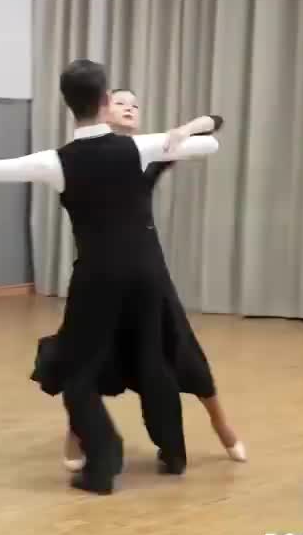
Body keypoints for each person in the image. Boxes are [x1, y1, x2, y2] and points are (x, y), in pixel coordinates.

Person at [0, 59, 220, 495]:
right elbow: (210, 144)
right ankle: (173, 452)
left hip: (98, 276)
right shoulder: (139, 148)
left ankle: (103, 461)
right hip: (146, 273)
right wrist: (184, 131)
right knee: (153, 358)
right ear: (105, 102)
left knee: (75, 370)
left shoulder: (56, 161)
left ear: (69, 104)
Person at [39, 89, 245, 473]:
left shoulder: (149, 151)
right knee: (87, 355)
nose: (130, 108)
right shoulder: (78, 159)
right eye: (121, 102)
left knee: (181, 350)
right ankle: (78, 431)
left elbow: (214, 123)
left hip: (146, 273)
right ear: (103, 110)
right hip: (100, 275)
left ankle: (222, 424)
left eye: (135, 105)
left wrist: (184, 130)